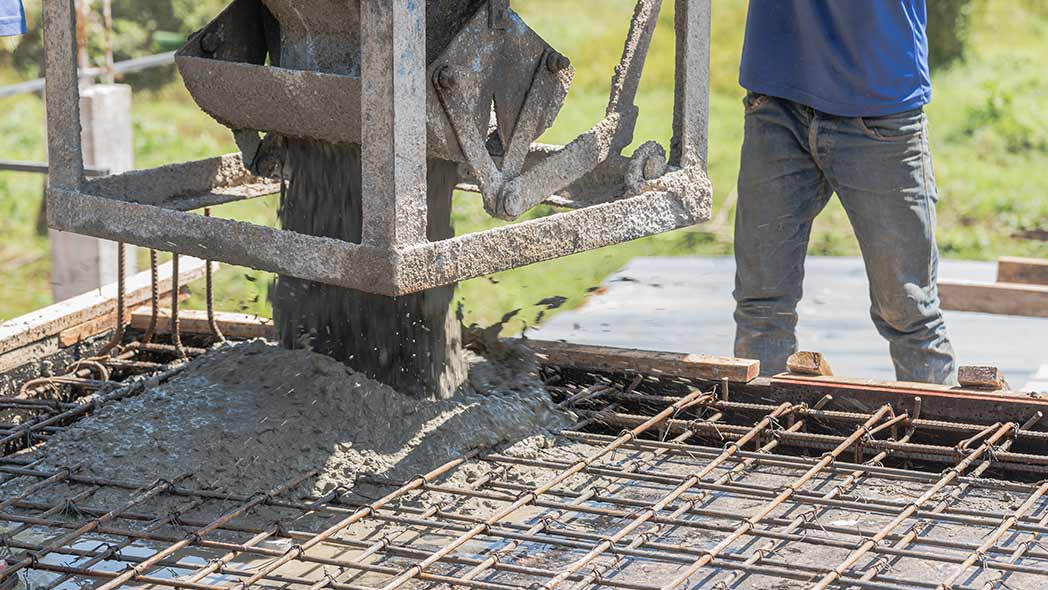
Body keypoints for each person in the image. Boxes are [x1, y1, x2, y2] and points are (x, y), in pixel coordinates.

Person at [733, 1, 958, 385]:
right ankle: (764, 432)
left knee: (908, 312)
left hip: (880, 103)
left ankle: (935, 434)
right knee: (761, 306)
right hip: (777, 95)